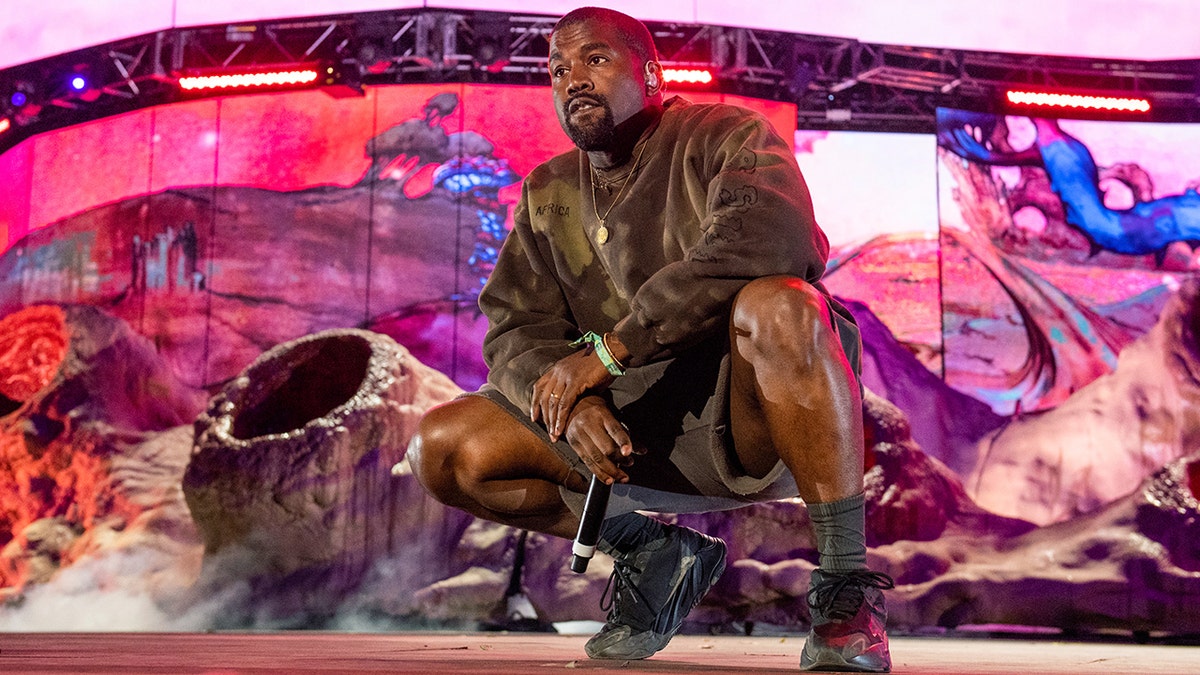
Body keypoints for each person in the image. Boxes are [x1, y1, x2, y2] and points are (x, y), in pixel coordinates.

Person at [408, 6, 893, 672]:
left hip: (748, 419)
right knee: (441, 448)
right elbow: (516, 326)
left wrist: (608, 353)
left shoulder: (725, 136)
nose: (572, 78)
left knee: (782, 303)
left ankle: (845, 594)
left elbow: (770, 240)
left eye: (594, 60)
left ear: (651, 73)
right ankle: (654, 554)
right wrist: (570, 405)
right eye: (557, 68)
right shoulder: (547, 192)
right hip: (628, 435)